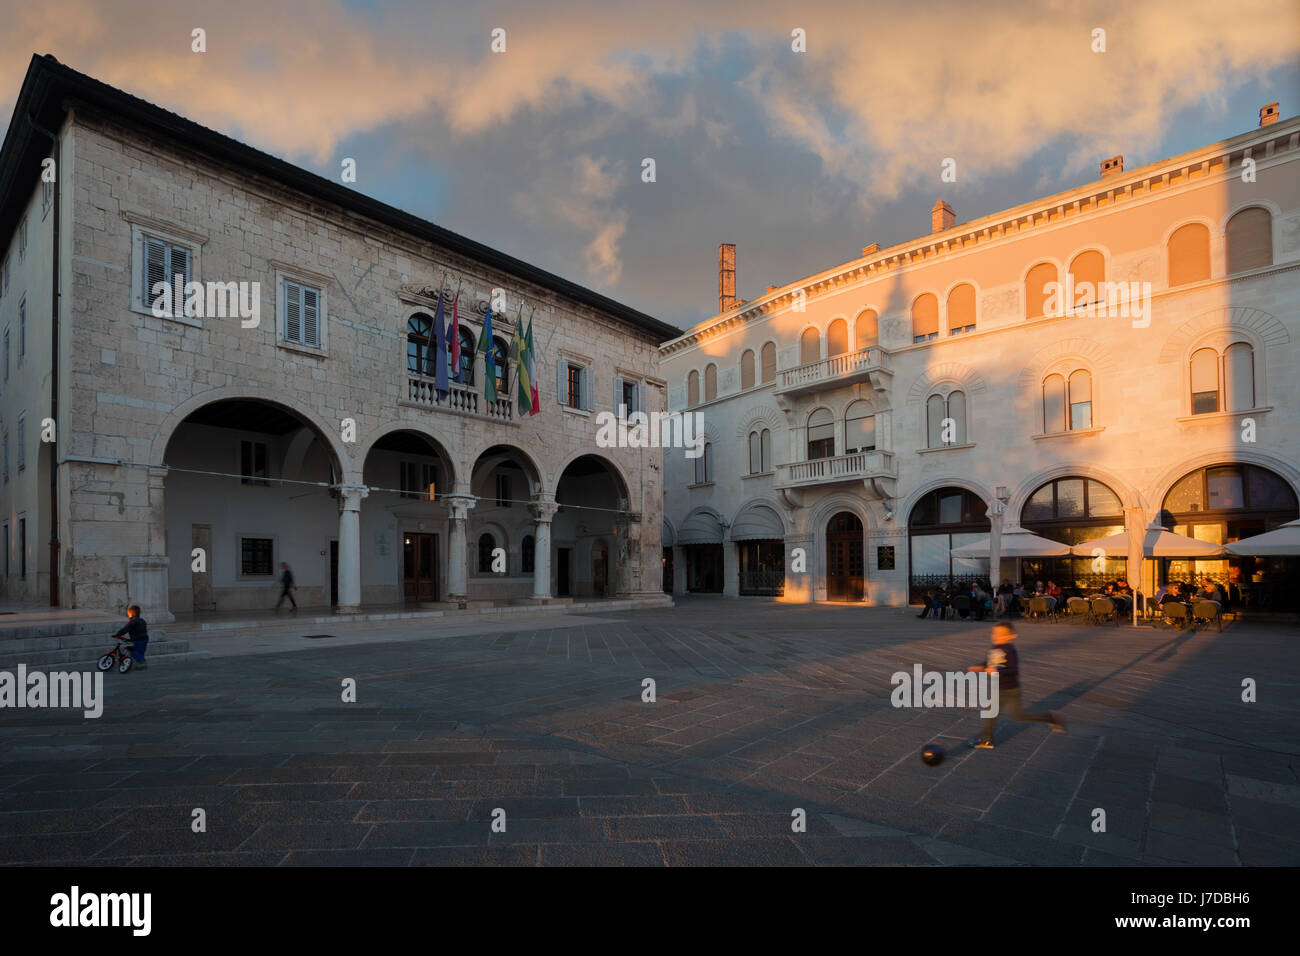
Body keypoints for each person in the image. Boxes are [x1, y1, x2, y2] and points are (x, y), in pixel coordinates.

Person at [969, 622, 1066, 749]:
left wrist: (998, 671)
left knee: (1018, 717)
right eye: (994, 633)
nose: (996, 636)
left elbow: (1013, 669)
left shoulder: (1010, 650)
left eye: (1001, 634)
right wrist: (980, 666)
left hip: (1010, 690)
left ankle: (1049, 718)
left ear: (1011, 636)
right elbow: (989, 662)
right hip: (998, 688)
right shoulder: (994, 648)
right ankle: (986, 740)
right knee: (989, 714)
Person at [113, 604, 149, 670]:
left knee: (134, 652)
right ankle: (140, 665)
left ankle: (142, 663)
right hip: (145, 638)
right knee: (141, 652)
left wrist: (118, 634)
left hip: (138, 639)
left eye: (128, 614)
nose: (128, 615)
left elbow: (125, 629)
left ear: (132, 614)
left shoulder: (132, 621)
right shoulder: (142, 620)